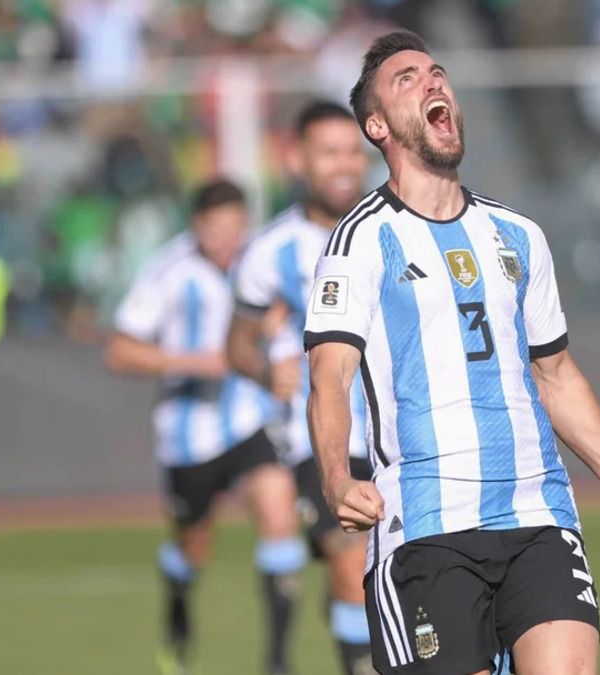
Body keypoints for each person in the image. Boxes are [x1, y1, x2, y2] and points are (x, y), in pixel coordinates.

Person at [303, 31, 600, 675]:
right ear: (377, 125)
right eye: (406, 79)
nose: (433, 83)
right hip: (425, 527)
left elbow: (557, 376)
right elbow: (329, 377)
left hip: (538, 514)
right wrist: (335, 477)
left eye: (437, 73)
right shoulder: (360, 242)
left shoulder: (519, 236)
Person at [105, 179, 306, 675]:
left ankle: (277, 661)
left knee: (280, 521)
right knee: (193, 545)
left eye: (236, 227)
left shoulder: (257, 264)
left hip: (248, 420)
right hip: (188, 435)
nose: (228, 239)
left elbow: (279, 323)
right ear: (197, 226)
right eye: (217, 229)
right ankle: (178, 605)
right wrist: (200, 361)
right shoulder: (168, 272)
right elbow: (120, 351)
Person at [227, 101, 374, 675]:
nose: (344, 165)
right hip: (320, 435)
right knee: (348, 553)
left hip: (405, 433)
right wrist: (266, 372)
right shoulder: (269, 251)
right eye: (329, 152)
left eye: (352, 153)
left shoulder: (392, 229)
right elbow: (236, 345)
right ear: (298, 160)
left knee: (393, 575)